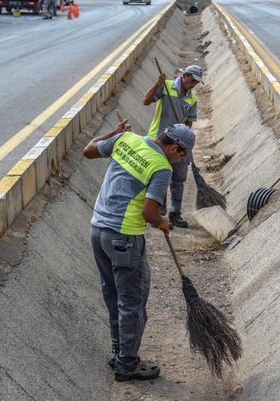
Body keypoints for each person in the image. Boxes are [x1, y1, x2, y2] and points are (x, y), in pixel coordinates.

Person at [84, 122, 196, 382]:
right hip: (124, 238)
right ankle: (127, 364)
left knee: (113, 296)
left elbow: (88, 150)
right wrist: (162, 222)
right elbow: (149, 212)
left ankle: (119, 352)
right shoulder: (161, 167)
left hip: (98, 230)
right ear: (172, 147)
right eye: (181, 155)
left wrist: (114, 131)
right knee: (132, 303)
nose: (180, 160)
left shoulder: (126, 139)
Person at [142, 64, 202, 228]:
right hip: (159, 142)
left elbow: (189, 122)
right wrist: (157, 83)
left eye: (197, 82)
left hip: (179, 144)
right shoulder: (166, 87)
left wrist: (183, 134)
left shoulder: (192, 99)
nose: (194, 84)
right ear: (185, 75)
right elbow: (146, 101)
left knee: (178, 179)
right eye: (193, 80)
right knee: (158, 177)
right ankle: (158, 213)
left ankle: (175, 214)